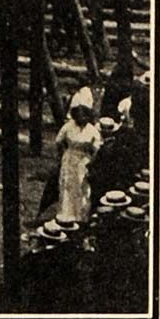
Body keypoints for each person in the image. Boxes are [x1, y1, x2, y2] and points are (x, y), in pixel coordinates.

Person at [54, 89, 102, 223]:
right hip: (69, 158)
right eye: (80, 116)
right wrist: (63, 154)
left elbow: (96, 147)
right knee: (68, 185)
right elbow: (58, 141)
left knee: (81, 186)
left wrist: (91, 160)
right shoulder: (68, 127)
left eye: (85, 116)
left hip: (84, 160)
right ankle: (66, 215)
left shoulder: (92, 130)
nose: (83, 119)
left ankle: (81, 216)